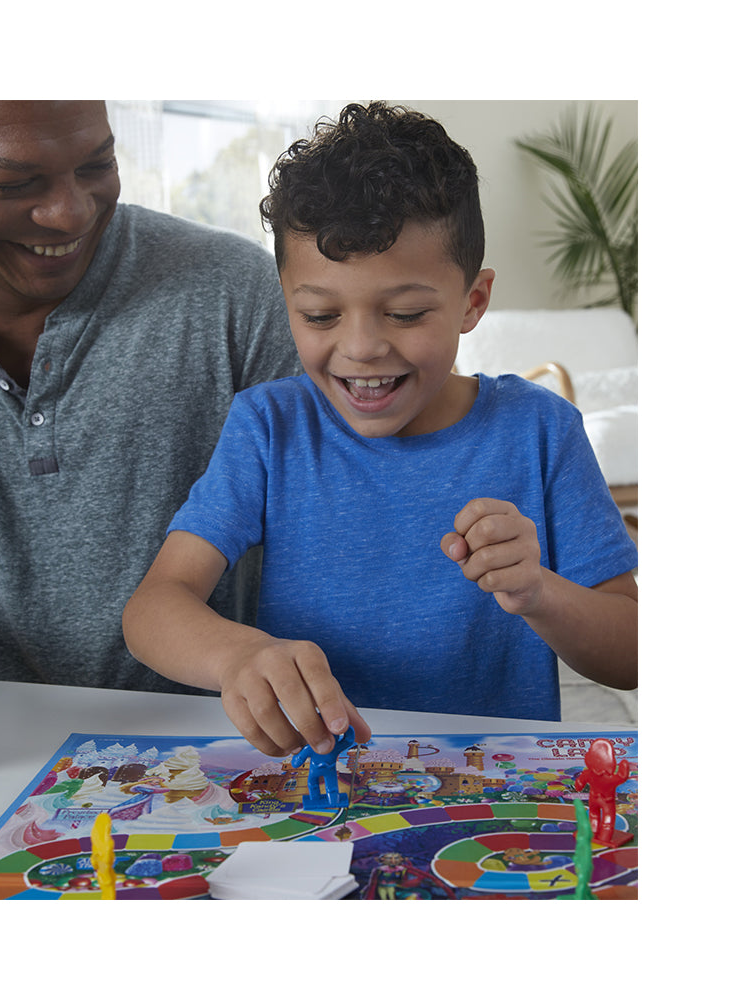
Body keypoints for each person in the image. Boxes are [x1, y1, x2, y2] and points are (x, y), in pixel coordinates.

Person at [122, 102, 638, 760]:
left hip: (490, 791)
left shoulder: (540, 430)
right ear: (287, 301)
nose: (362, 347)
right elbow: (152, 608)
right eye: (320, 315)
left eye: (405, 313)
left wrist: (539, 590)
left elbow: (633, 653)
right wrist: (236, 655)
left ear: (473, 301)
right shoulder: (269, 428)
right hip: (320, 786)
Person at [0, 101, 299, 783]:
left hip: (226, 754)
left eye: (96, 165)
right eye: (14, 182)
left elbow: (337, 520)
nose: (69, 213)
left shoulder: (238, 294)